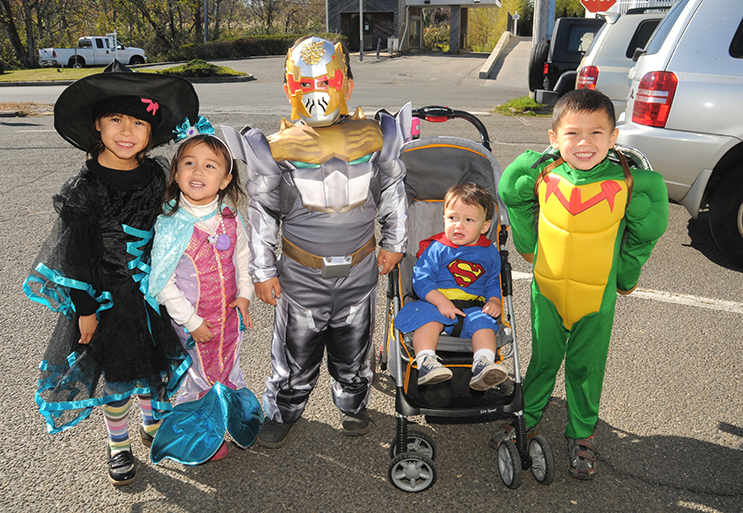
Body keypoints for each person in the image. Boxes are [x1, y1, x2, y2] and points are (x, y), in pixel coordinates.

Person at [221, 36, 410, 448]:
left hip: (360, 270)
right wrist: (263, 271)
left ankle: (353, 403)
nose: (316, 93)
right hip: (301, 274)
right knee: (295, 351)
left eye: (324, 81)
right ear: (290, 89)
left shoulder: (376, 137)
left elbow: (393, 192)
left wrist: (394, 241)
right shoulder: (274, 149)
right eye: (304, 85)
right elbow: (263, 214)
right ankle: (283, 409)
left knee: (354, 346)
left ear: (346, 84)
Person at [23, 63, 199, 485]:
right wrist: (85, 309)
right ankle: (118, 443)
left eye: (138, 122)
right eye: (116, 119)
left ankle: (153, 424)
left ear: (151, 131)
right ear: (98, 124)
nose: (127, 130)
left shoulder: (158, 175)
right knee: (119, 374)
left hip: (153, 293)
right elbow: (76, 255)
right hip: (106, 299)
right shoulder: (84, 188)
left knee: (152, 366)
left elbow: (175, 224)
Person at [493, 89, 669, 480]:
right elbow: (513, 197)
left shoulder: (627, 181)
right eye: (573, 134)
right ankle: (527, 417)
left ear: (614, 137)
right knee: (542, 361)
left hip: (596, 298)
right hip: (548, 292)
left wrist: (626, 275)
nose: (584, 143)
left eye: (596, 133)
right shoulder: (542, 172)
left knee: (587, 368)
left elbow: (645, 233)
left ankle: (583, 433)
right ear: (553, 138)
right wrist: (527, 245)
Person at [147, 119, 264, 465]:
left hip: (229, 321)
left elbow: (243, 259)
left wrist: (245, 296)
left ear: (226, 179)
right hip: (192, 326)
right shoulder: (171, 223)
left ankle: (229, 420)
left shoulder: (229, 216)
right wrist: (191, 320)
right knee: (196, 377)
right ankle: (196, 441)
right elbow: (163, 281)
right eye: (189, 163)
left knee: (227, 369)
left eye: (210, 166)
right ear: (175, 172)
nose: (198, 171)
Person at [394, 183, 508, 390]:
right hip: (435, 303)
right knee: (428, 321)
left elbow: (492, 281)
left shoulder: (489, 253)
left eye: (468, 220)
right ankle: (427, 362)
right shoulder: (437, 248)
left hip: (472, 308)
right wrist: (440, 301)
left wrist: (494, 300)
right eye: (452, 218)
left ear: (484, 226)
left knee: (484, 325)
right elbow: (421, 279)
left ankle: (483, 364)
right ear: (444, 218)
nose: (458, 225)